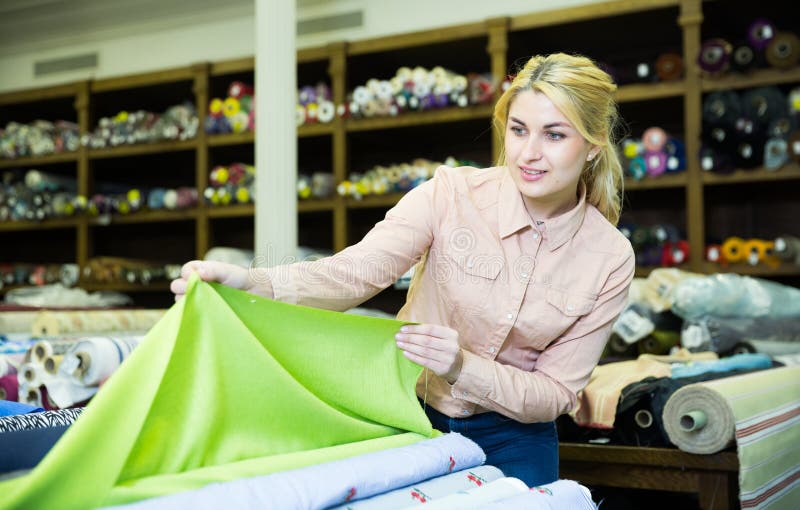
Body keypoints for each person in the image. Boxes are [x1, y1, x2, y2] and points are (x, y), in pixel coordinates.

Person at [171, 53, 635, 487]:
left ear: (593, 147)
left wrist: (461, 366)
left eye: (554, 135)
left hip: (518, 437)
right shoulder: (450, 193)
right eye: (518, 130)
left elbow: (555, 394)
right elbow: (355, 273)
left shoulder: (610, 258)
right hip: (412, 415)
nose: (528, 153)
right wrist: (249, 282)